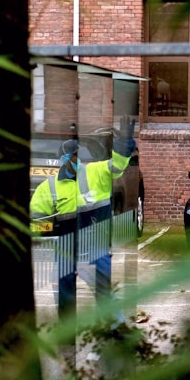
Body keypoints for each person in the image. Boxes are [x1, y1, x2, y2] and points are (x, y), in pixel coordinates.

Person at [30, 116, 135, 320]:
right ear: (64, 160)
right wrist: (47, 228)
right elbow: (36, 222)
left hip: (95, 246)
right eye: (74, 156)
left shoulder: (97, 172)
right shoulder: (48, 187)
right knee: (64, 293)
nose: (78, 160)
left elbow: (118, 166)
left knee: (105, 294)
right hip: (66, 247)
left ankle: (118, 332)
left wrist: (123, 145)